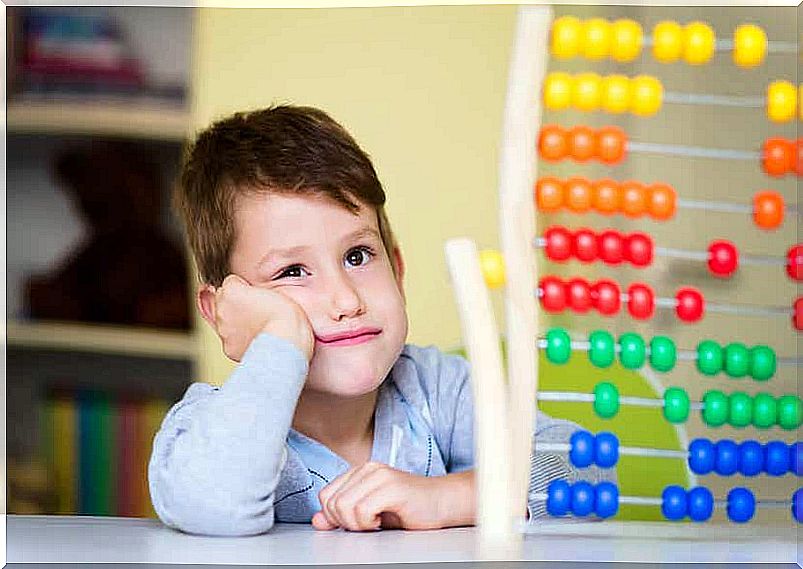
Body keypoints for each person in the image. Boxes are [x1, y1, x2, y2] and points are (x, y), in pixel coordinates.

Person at [149, 105, 612, 536]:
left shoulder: (435, 391)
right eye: (292, 272)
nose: (346, 299)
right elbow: (209, 504)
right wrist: (282, 340)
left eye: (357, 255)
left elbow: (585, 468)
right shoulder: (210, 424)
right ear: (224, 310)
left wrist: (446, 498)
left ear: (397, 268)